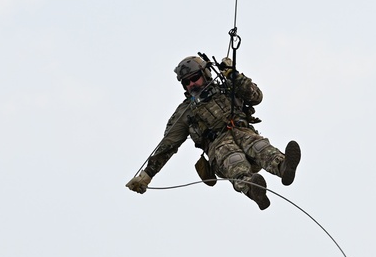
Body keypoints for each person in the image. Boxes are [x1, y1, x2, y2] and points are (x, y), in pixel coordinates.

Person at [126, 55, 300, 209]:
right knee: (233, 159)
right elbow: (168, 144)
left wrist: (233, 74)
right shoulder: (185, 112)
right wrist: (147, 175)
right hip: (218, 146)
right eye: (187, 82)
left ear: (205, 74)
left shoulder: (227, 87)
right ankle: (253, 190)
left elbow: (256, 97)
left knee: (258, 145)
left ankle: (283, 167)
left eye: (195, 78)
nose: (192, 84)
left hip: (242, 131)